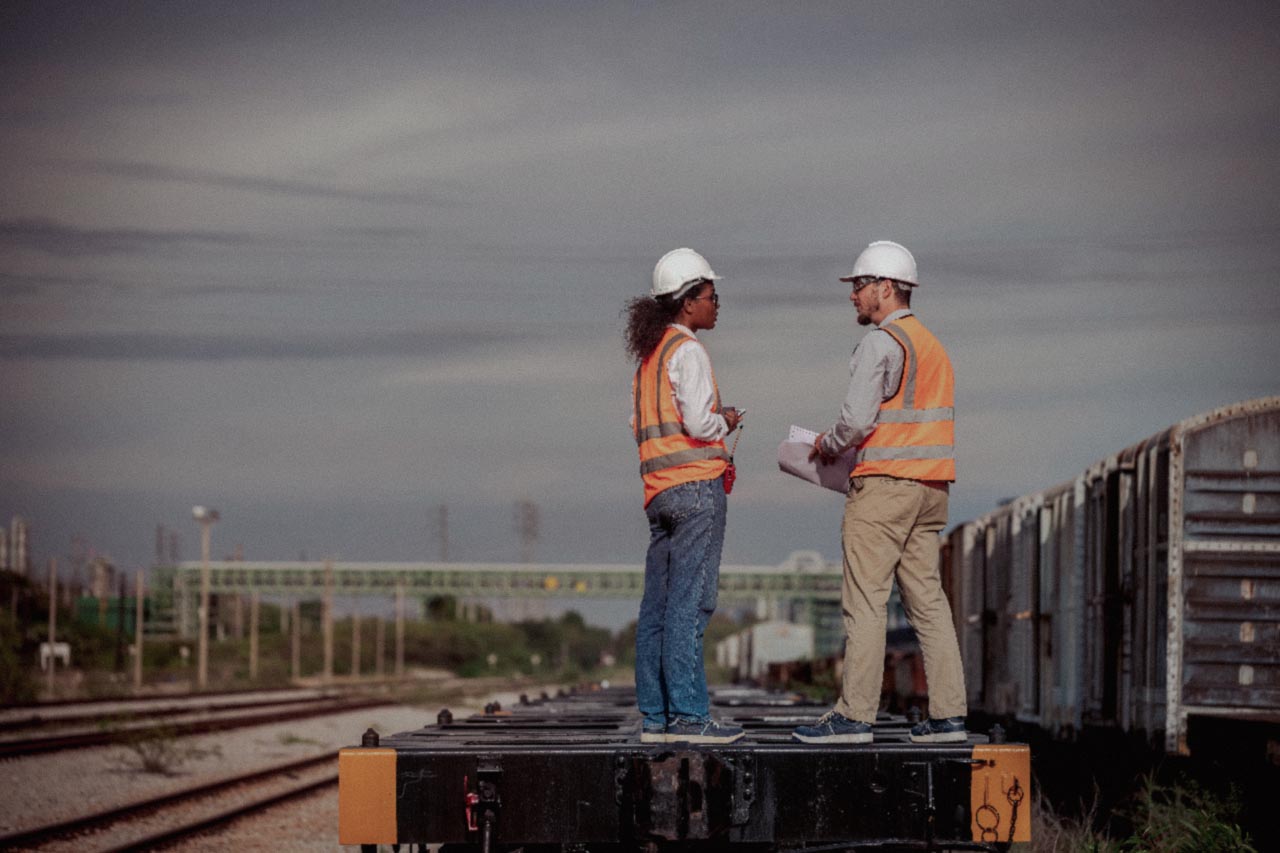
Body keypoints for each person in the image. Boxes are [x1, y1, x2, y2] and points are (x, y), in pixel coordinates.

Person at [791, 240, 967, 745]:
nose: (854, 296)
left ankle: (854, 716)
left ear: (886, 288)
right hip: (931, 489)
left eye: (860, 286)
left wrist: (825, 444)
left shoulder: (880, 344)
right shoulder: (933, 347)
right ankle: (950, 716)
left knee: (865, 601)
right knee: (928, 602)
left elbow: (857, 420)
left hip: (885, 488)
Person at [625, 247, 745, 745]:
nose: (718, 305)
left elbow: (640, 425)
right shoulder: (688, 351)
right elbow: (698, 422)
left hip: (659, 496)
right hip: (696, 488)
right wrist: (727, 422)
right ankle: (692, 718)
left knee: (657, 608)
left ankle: (655, 717)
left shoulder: (649, 359)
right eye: (712, 297)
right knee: (690, 605)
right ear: (688, 301)